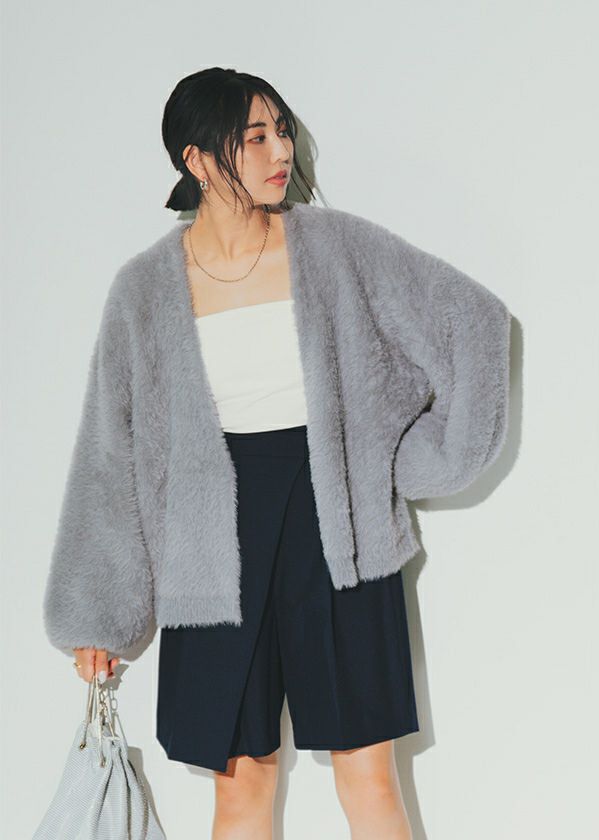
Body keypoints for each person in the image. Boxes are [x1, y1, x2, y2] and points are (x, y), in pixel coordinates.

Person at [45, 66, 511, 840]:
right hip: (208, 551)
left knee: (369, 779)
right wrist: (99, 614)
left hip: (338, 532)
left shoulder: (334, 247)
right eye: (255, 136)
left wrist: (410, 461)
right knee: (242, 788)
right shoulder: (145, 289)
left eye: (283, 131)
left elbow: (473, 323)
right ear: (197, 159)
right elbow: (111, 453)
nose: (280, 151)